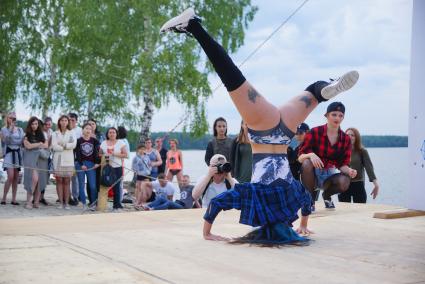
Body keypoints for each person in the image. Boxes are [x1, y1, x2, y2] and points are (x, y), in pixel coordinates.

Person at [160, 8, 359, 244]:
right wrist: (207, 233)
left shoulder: (291, 192)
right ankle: (193, 25)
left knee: (313, 92)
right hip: (262, 128)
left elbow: (307, 201)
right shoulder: (251, 195)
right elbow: (216, 203)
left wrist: (303, 226)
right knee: (230, 74)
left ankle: (324, 89)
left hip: (286, 128)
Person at [298, 102, 357, 211]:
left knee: (345, 180)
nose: (337, 118)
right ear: (326, 115)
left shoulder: (345, 139)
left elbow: (342, 165)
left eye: (340, 115)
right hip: (311, 175)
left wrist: (349, 170)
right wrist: (311, 155)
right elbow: (300, 158)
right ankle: (310, 201)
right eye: (334, 114)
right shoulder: (314, 132)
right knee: (306, 162)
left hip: (328, 177)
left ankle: (327, 196)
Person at [338, 127, 379, 203]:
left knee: (360, 212)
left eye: (352, 135)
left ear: (356, 138)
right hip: (344, 185)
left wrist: (376, 185)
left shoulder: (362, 151)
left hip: (358, 184)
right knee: (344, 212)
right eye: (348, 135)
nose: (350, 137)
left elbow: (369, 168)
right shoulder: (340, 151)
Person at [99, 127, 128, 211]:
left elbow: (125, 155)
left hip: (117, 167)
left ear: (116, 134)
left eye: (113, 132)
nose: (112, 134)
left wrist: (115, 154)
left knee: (117, 186)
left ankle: (117, 205)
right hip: (106, 167)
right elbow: (100, 154)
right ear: (107, 134)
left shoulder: (120, 143)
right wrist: (106, 155)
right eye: (110, 132)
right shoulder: (103, 143)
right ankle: (102, 204)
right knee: (105, 184)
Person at [52, 115, 77, 209]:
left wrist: (63, 145)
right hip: (58, 159)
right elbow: (54, 146)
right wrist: (63, 147)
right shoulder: (55, 133)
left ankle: (66, 203)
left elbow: (73, 144)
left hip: (69, 159)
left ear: (68, 122)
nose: (64, 122)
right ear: (59, 122)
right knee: (59, 180)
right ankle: (60, 203)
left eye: (66, 120)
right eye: (62, 120)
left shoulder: (72, 132)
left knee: (67, 180)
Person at [22, 117, 48, 209]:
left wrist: (38, 144)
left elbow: (46, 145)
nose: (34, 125)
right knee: (33, 179)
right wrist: (38, 144)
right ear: (30, 125)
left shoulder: (41, 135)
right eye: (32, 124)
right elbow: (28, 146)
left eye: (36, 124)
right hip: (30, 159)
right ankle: (28, 201)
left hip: (40, 159)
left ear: (38, 125)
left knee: (39, 181)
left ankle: (36, 202)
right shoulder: (26, 135)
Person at [1, 112, 24, 206]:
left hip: (17, 154)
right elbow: (6, 140)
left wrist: (14, 140)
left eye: (14, 118)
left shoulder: (20, 129)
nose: (12, 120)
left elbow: (21, 141)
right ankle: (4, 198)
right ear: (7, 118)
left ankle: (14, 199)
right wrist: (10, 131)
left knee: (16, 177)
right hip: (9, 154)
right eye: (11, 118)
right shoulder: (4, 129)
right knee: (10, 176)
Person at [75, 123, 101, 210]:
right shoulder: (78, 141)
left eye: (90, 129)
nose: (88, 130)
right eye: (86, 128)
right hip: (80, 164)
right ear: (83, 130)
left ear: (92, 130)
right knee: (81, 185)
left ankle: (93, 203)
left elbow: (99, 152)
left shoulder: (94, 141)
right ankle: (83, 204)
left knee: (93, 185)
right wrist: (81, 164)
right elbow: (77, 154)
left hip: (91, 164)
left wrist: (97, 162)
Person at [132, 144, 152, 209]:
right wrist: (137, 171)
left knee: (144, 189)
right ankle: (137, 202)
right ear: (138, 150)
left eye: (143, 149)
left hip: (146, 175)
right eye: (140, 149)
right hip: (139, 174)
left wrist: (149, 171)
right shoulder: (135, 157)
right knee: (138, 188)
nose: (142, 150)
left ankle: (142, 202)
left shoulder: (147, 157)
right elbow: (133, 167)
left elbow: (149, 164)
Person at [39, 117, 53, 205]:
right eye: (46, 124)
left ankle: (42, 197)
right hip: (40, 156)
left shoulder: (51, 132)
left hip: (48, 156)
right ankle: (36, 197)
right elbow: (43, 145)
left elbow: (50, 146)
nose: (47, 126)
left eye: (49, 124)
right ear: (43, 124)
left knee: (45, 177)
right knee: (38, 177)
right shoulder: (40, 132)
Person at [68, 112, 82, 206]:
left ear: (76, 121)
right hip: (66, 156)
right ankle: (67, 196)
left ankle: (75, 196)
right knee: (65, 177)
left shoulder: (79, 130)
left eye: (73, 120)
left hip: (76, 157)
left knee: (75, 178)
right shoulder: (65, 129)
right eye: (69, 120)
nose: (71, 122)